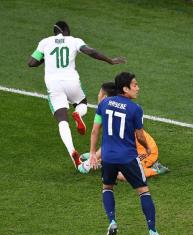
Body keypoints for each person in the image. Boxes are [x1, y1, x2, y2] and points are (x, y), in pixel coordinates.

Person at [27, 21, 126, 168]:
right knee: (82, 103)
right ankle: (79, 114)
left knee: (62, 120)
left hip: (54, 85)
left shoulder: (45, 42)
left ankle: (72, 151)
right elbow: (91, 51)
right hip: (71, 81)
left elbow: (31, 63)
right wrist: (110, 61)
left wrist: (46, 57)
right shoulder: (74, 41)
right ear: (66, 30)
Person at [89, 72, 164, 235]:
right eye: (135, 85)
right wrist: (146, 147)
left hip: (107, 156)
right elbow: (140, 135)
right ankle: (152, 232)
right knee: (143, 191)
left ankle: (112, 221)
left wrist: (93, 154)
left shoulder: (104, 103)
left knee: (107, 187)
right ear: (125, 88)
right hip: (128, 157)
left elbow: (95, 130)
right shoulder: (135, 109)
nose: (138, 88)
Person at [78, 82, 169, 178]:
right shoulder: (105, 108)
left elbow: (110, 142)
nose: (98, 96)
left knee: (122, 175)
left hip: (145, 151)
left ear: (105, 98)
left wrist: (87, 163)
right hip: (126, 148)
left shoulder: (117, 112)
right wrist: (93, 155)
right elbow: (95, 132)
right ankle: (102, 160)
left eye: (100, 94)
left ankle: (155, 169)